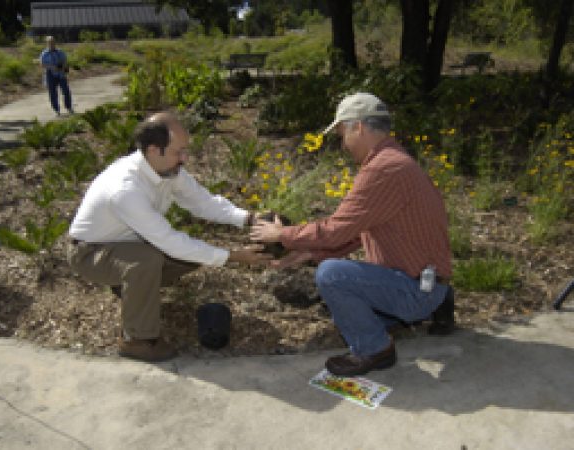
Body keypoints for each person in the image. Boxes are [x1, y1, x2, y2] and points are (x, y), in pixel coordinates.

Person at [250, 92, 454, 376]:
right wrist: (310, 252)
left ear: (358, 127)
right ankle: (431, 307)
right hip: (426, 280)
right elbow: (361, 231)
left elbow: (337, 229)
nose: (343, 144)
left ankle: (375, 350)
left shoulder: (384, 169)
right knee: (344, 300)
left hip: (416, 290)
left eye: (342, 134)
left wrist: (282, 234)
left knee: (332, 276)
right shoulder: (396, 160)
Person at [68, 111, 271, 362]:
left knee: (190, 256)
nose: (185, 158)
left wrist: (248, 218)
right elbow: (170, 241)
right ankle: (137, 340)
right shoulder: (125, 189)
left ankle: (133, 291)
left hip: (127, 243)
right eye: (179, 151)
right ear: (154, 150)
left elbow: (202, 202)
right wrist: (234, 257)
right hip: (90, 253)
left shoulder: (166, 169)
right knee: (148, 260)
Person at [39, 36, 73, 116]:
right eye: (50, 43)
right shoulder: (44, 54)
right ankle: (56, 110)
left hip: (60, 73)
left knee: (66, 91)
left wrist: (63, 68)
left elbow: (65, 61)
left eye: (53, 42)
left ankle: (69, 107)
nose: (52, 44)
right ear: (47, 44)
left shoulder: (60, 52)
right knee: (52, 93)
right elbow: (42, 64)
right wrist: (51, 67)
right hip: (50, 74)